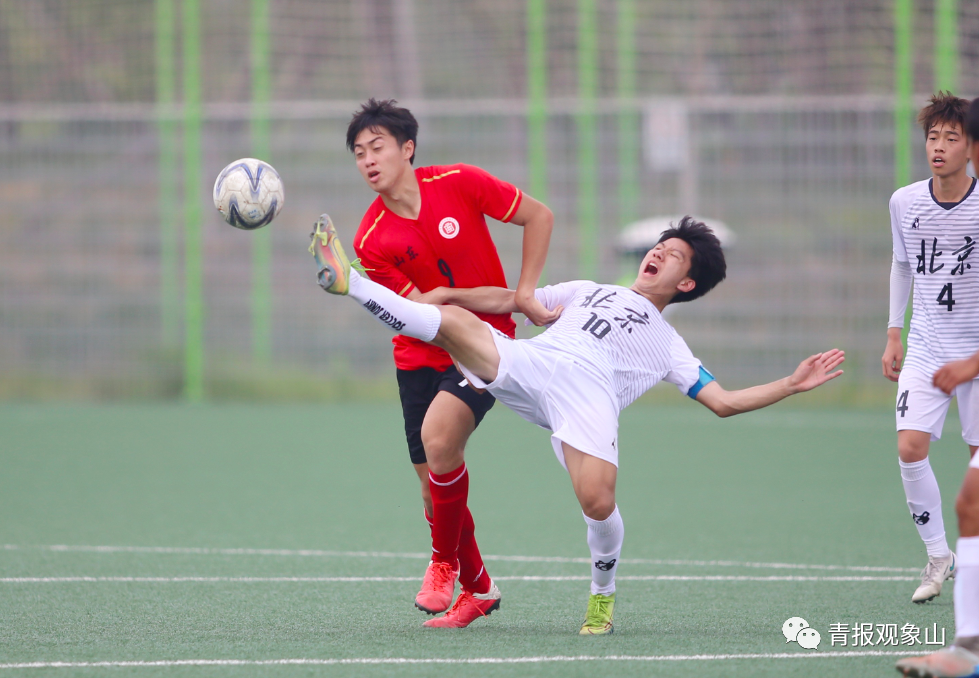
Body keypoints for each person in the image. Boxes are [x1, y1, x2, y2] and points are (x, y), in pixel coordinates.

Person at [310, 213, 845, 633]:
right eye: (661, 246)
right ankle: (350, 283)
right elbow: (513, 300)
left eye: (675, 255)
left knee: (597, 502)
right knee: (452, 323)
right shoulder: (590, 289)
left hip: (588, 398)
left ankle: (601, 597)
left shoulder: (670, 345)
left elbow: (723, 401)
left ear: (686, 284)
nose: (659, 252)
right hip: (537, 362)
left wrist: (790, 385)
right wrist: (452, 295)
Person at [344, 99, 557, 625]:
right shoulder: (370, 240)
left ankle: (442, 564)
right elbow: (420, 310)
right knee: (431, 480)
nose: (368, 160)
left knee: (441, 441)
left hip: (485, 343)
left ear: (407, 149)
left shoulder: (461, 181)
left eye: (377, 147)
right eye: (358, 153)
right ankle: (479, 588)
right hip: (418, 358)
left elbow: (538, 215)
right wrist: (350, 284)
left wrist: (524, 292)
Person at [882, 91, 979, 605]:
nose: (938, 147)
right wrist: (894, 332)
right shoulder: (904, 200)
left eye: (951, 137)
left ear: (971, 147)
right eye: (932, 138)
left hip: (976, 355)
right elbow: (902, 265)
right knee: (909, 447)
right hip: (925, 346)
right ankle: (939, 555)